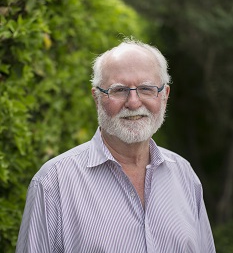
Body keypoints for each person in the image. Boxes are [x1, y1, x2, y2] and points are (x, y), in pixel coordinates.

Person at [16, 38, 216, 253]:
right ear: (97, 98)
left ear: (164, 96)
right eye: (119, 90)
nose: (133, 102)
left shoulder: (184, 174)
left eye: (146, 89)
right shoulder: (52, 183)